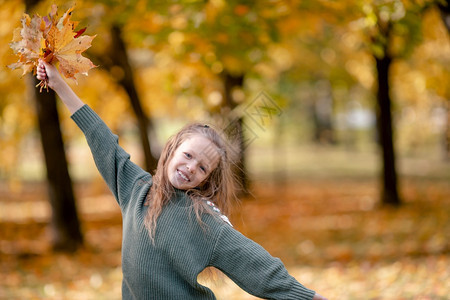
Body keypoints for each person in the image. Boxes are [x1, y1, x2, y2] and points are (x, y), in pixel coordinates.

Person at [37, 60, 328, 300]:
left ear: (205, 180)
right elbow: (100, 137)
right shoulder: (134, 188)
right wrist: (59, 83)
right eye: (188, 155)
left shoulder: (204, 221)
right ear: (172, 148)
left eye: (202, 168)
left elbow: (257, 266)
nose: (191, 168)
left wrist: (309, 297)